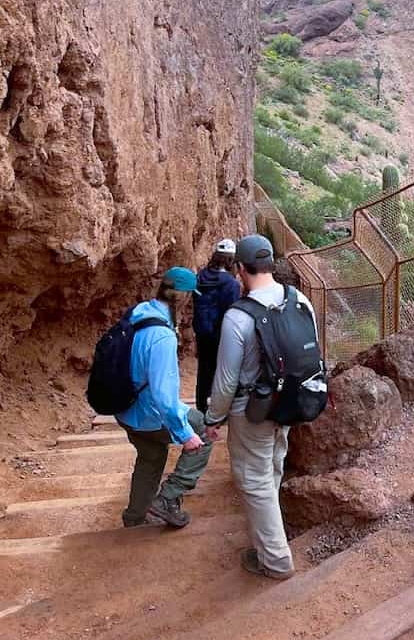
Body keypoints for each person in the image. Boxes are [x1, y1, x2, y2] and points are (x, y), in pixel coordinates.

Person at [204, 234, 318, 581]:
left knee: (254, 481)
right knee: (271, 469)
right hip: (290, 404)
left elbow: (225, 382)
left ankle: (276, 559)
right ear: (271, 264)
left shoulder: (238, 317)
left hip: (250, 412)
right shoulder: (299, 300)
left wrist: (213, 418)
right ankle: (268, 540)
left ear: (240, 268)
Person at [116, 266, 215, 528]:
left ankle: (135, 517)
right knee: (202, 433)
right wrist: (186, 435)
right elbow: (163, 396)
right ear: (181, 296)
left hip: (125, 409)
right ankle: (167, 500)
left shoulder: (138, 313)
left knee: (150, 457)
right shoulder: (161, 336)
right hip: (148, 413)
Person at [192, 239, 241, 413]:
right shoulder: (230, 284)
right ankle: (219, 409)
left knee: (204, 368)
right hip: (221, 333)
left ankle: (201, 405)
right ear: (231, 260)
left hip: (202, 331)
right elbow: (232, 311)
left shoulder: (200, 277)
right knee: (223, 370)